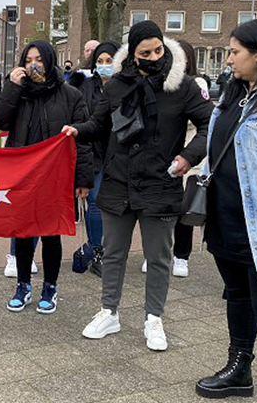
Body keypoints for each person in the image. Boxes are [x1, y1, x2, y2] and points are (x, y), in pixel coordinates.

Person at [63, 21, 214, 351]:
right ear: (132, 54)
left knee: (159, 256)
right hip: (119, 180)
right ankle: (109, 312)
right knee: (113, 252)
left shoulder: (183, 86)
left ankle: (154, 319)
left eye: (157, 50)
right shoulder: (116, 85)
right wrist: (77, 131)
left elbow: (209, 124)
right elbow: (98, 124)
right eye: (144, 53)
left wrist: (188, 157)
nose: (153, 57)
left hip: (161, 181)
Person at [194, 19, 257, 403]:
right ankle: (239, 368)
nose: (228, 59)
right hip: (224, 217)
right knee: (236, 294)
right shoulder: (231, 94)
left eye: (234, 52)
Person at [0, 40, 93, 315]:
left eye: (38, 59)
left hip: (55, 177)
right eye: (27, 60)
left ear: (49, 61)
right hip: (22, 175)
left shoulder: (70, 95)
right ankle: (23, 285)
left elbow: (82, 139)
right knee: (23, 233)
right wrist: (12, 87)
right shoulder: (19, 93)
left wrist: (83, 179)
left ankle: (50, 286)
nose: (33, 65)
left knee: (50, 234)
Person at [141, 40, 209, 278]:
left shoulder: (194, 85)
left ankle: (182, 256)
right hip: (164, 156)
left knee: (184, 210)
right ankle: (156, 253)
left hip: (189, 155)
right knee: (159, 209)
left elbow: (199, 119)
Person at [69, 41, 120, 277]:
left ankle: (114, 250)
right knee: (95, 203)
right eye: (100, 61)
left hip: (120, 154)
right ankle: (97, 249)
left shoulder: (127, 86)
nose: (104, 66)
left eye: (109, 60)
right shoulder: (86, 87)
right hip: (94, 153)